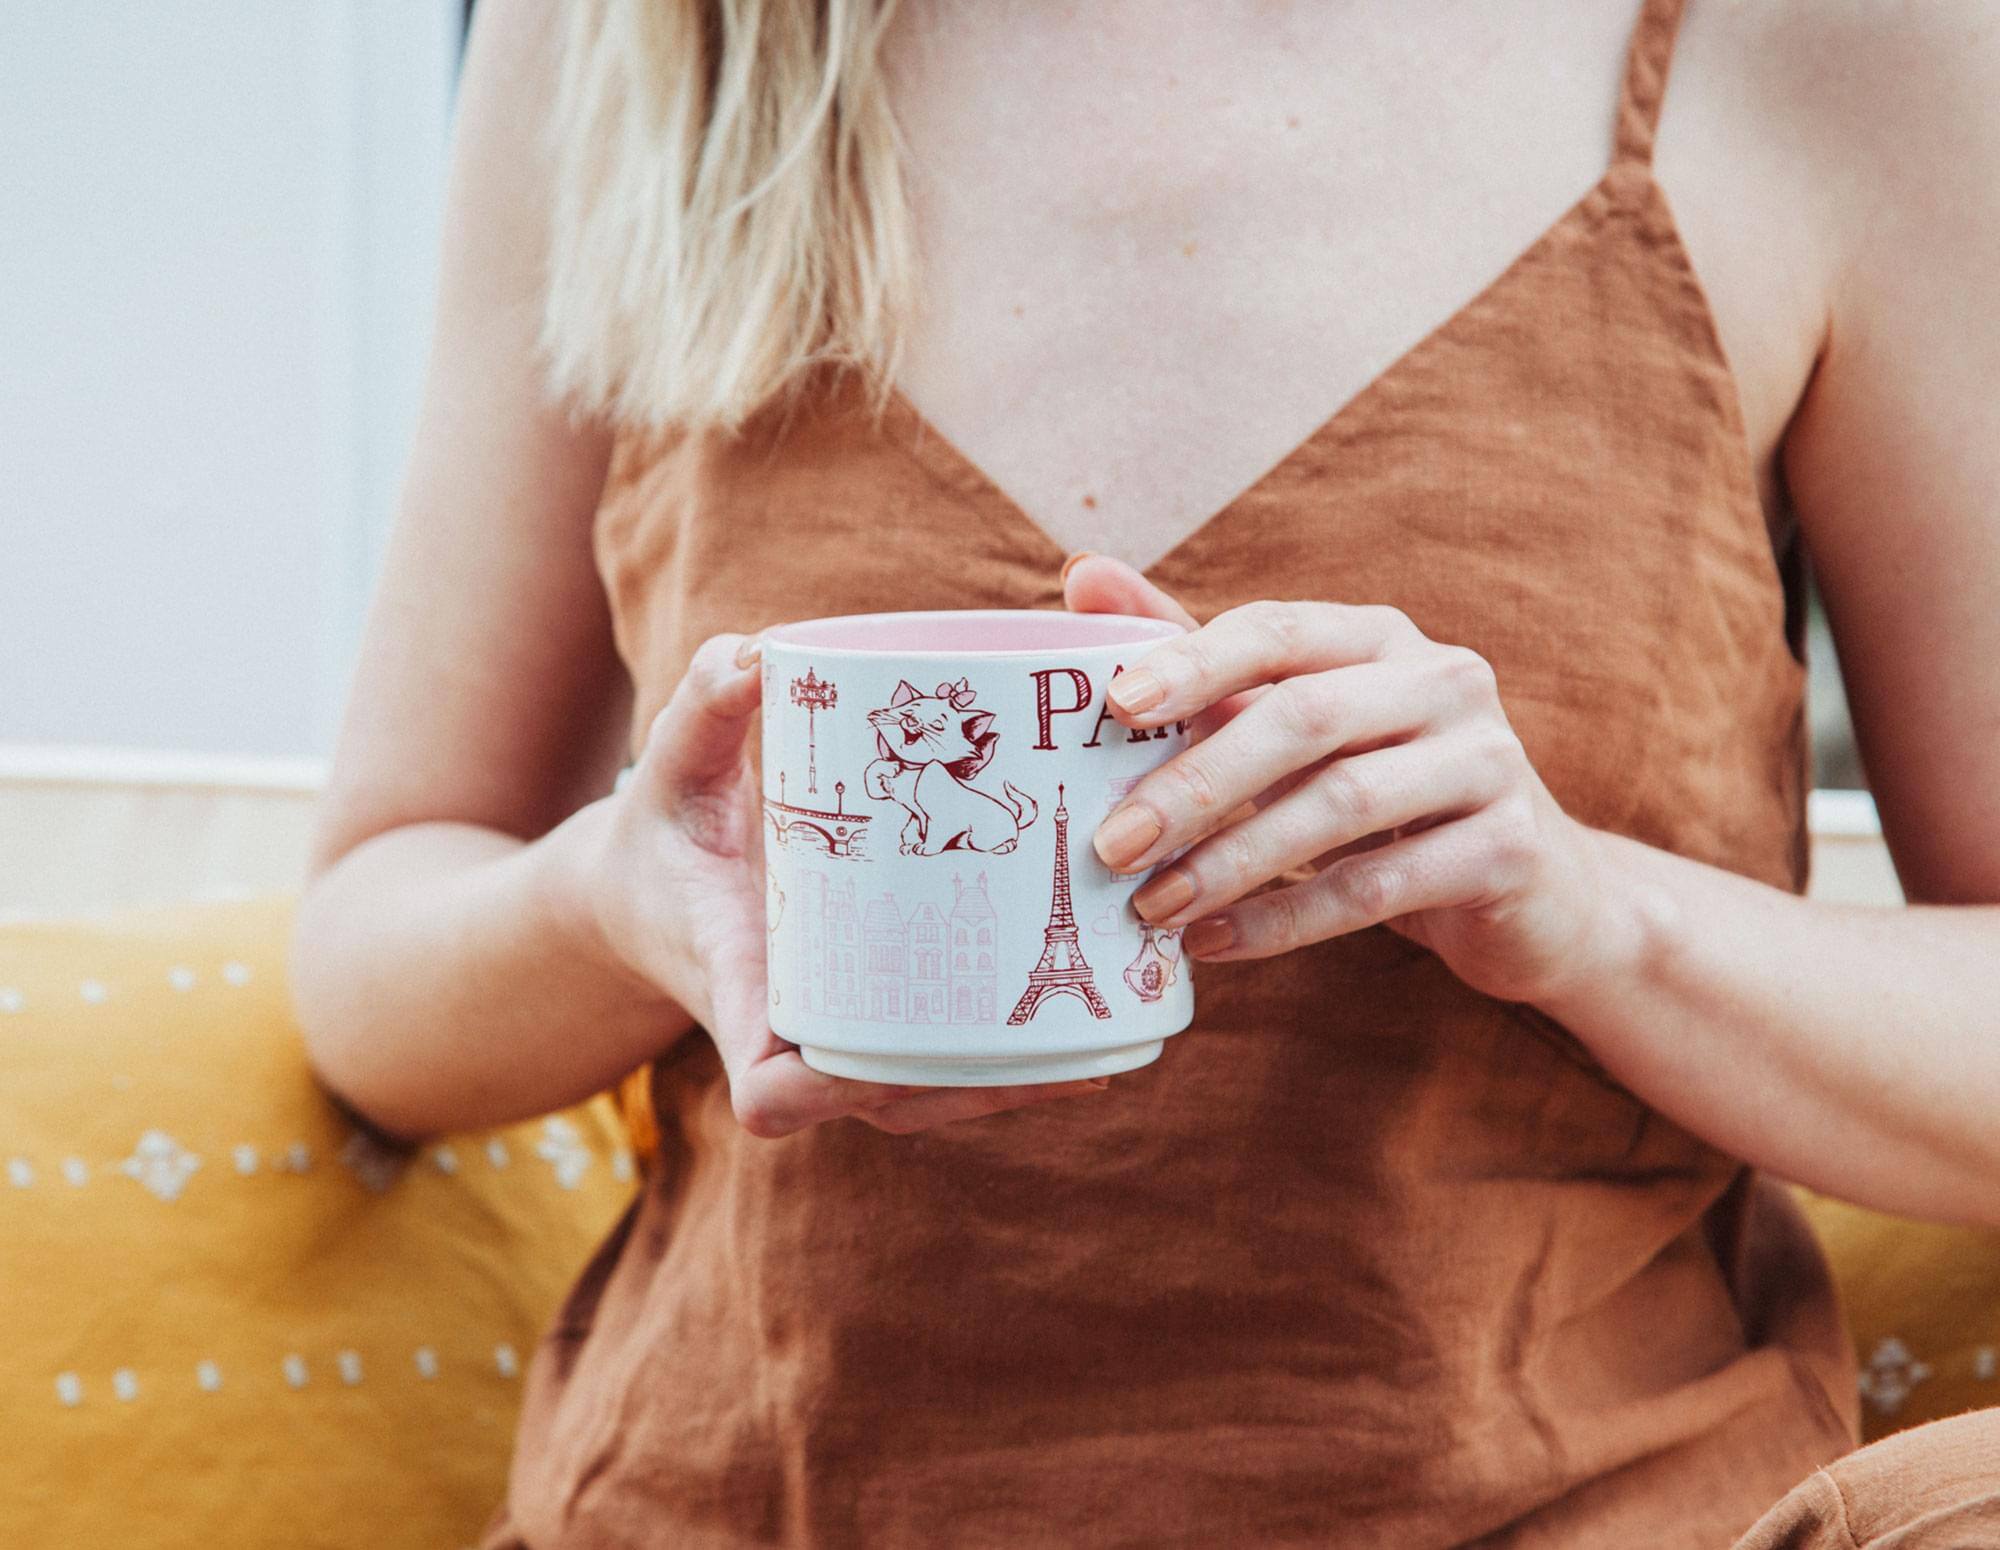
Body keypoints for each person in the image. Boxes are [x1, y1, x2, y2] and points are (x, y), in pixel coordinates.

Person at [288, 0, 2000, 1543]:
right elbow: (369, 958)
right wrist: (616, 900)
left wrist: (1595, 913)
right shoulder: (652, 38)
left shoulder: (1839, 41)